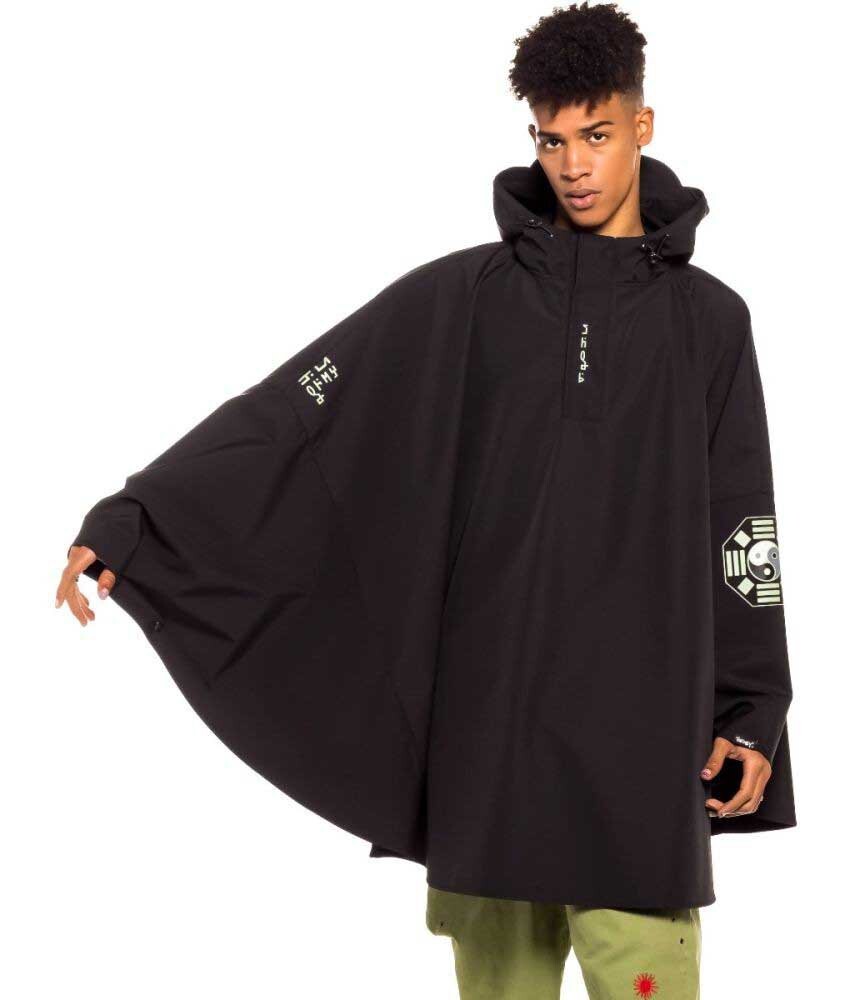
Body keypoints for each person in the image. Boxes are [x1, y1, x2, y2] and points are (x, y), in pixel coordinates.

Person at [56, 3, 795, 997]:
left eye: (596, 135)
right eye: (552, 141)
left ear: (642, 126)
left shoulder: (709, 322)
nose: (574, 165)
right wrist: (138, 521)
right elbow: (297, 412)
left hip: (640, 745)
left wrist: (751, 710)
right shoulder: (466, 299)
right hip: (490, 744)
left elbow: (742, 522)